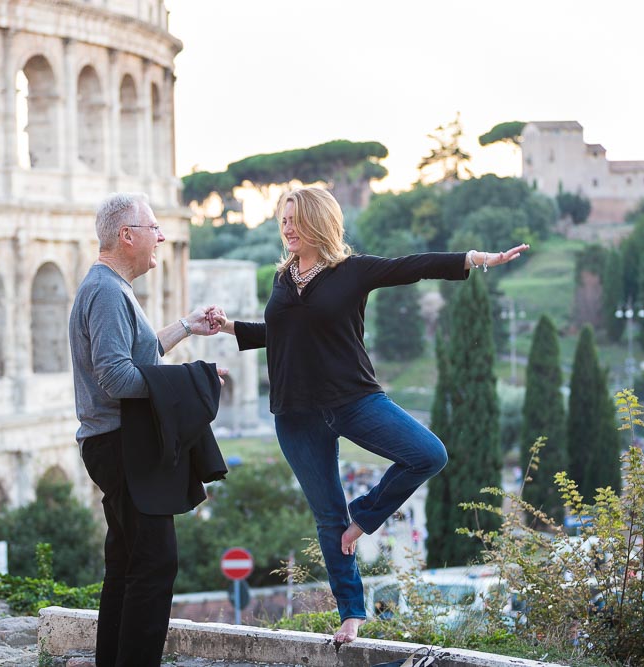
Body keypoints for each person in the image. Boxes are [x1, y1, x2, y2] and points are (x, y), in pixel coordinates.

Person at [212, 186, 527, 645]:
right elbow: (283, 333)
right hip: (296, 414)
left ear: (318, 221)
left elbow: (414, 266)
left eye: (295, 218)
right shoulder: (282, 279)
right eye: (282, 219)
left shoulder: (352, 272)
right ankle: (351, 614)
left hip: (352, 400)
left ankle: (364, 516)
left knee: (428, 454)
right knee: (327, 518)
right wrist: (228, 327)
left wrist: (479, 258)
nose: (286, 227)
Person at [69, 192, 227, 666]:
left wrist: (184, 328)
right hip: (122, 445)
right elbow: (116, 378)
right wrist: (194, 378)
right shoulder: (105, 291)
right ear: (127, 235)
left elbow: (136, 356)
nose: (161, 236)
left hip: (117, 443)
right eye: (153, 227)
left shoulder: (111, 288)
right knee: (155, 565)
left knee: (127, 564)